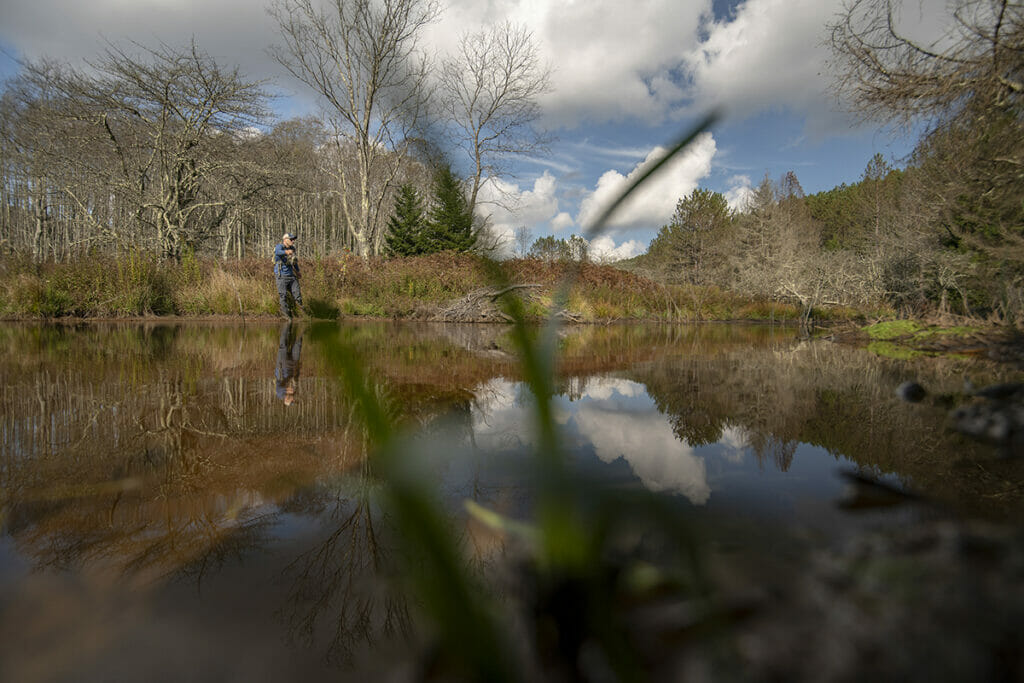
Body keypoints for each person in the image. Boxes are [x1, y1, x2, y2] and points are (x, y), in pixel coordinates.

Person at [274, 232, 305, 318]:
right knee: (283, 296)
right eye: (291, 239)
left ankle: (302, 314)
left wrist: (298, 271)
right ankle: (286, 316)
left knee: (297, 294)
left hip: (291, 276)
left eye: (293, 239)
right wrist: (287, 252)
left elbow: (294, 262)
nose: (293, 241)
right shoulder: (279, 246)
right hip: (281, 276)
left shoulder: (293, 248)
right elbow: (278, 252)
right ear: (285, 240)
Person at [275, 321, 302, 406]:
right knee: (298, 344)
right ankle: (301, 326)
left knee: (283, 343)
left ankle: (287, 324)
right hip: (293, 365)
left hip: (282, 365)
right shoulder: (294, 391)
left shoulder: (280, 394)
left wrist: (286, 389)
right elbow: (295, 380)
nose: (293, 399)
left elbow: (279, 387)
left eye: (292, 401)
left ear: (286, 400)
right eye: (293, 400)